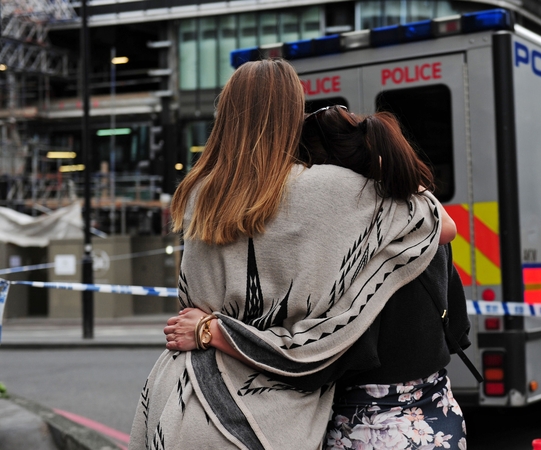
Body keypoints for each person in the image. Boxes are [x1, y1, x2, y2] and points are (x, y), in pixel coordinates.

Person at [131, 59, 449, 450]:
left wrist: (206, 328)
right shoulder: (330, 189)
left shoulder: (198, 190)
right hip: (260, 415)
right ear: (292, 116)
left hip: (179, 397)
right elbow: (438, 225)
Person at [297, 105, 471, 450]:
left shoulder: (343, 247)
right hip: (440, 419)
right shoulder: (428, 224)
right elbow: (457, 326)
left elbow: (317, 356)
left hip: (368, 428)